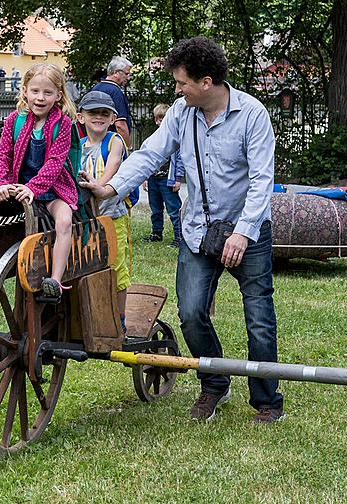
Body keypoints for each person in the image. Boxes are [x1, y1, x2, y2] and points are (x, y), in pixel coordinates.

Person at [79, 36, 284, 424]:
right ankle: (215, 383)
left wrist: (243, 232)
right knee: (191, 313)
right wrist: (111, 188)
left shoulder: (253, 115)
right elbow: (150, 155)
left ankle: (267, 400)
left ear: (206, 82)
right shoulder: (180, 113)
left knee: (258, 316)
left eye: (181, 82)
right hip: (197, 231)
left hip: (248, 231)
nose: (176, 89)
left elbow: (262, 180)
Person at [0, 63, 78, 297]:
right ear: (25, 92)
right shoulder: (14, 121)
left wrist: (33, 189)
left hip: (52, 190)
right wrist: (2, 184)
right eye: (35, 91)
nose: (40, 98)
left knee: (64, 221)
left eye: (48, 93)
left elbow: (55, 162)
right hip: (17, 188)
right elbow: (2, 154)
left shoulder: (63, 125)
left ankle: (55, 281)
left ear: (58, 95)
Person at [77, 90, 132, 328]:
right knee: (86, 264)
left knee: (116, 265)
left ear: (112, 119)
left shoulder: (114, 140)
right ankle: (88, 314)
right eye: (92, 113)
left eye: (104, 114)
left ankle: (120, 319)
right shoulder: (79, 146)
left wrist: (99, 186)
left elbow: (114, 164)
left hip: (112, 216)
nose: (98, 117)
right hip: (87, 219)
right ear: (81, 118)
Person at [143, 103, 184, 248]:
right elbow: (147, 158)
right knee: (155, 208)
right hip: (154, 179)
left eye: (164, 119)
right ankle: (156, 233)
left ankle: (180, 236)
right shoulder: (153, 139)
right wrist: (145, 177)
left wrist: (178, 178)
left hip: (168, 180)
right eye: (159, 119)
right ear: (155, 120)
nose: (161, 122)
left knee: (174, 209)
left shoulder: (175, 140)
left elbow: (180, 160)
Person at [89, 56, 134, 148]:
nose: (128, 77)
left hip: (95, 142)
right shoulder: (115, 92)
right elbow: (120, 125)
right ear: (116, 73)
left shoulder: (95, 89)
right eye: (126, 74)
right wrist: (128, 147)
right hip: (112, 144)